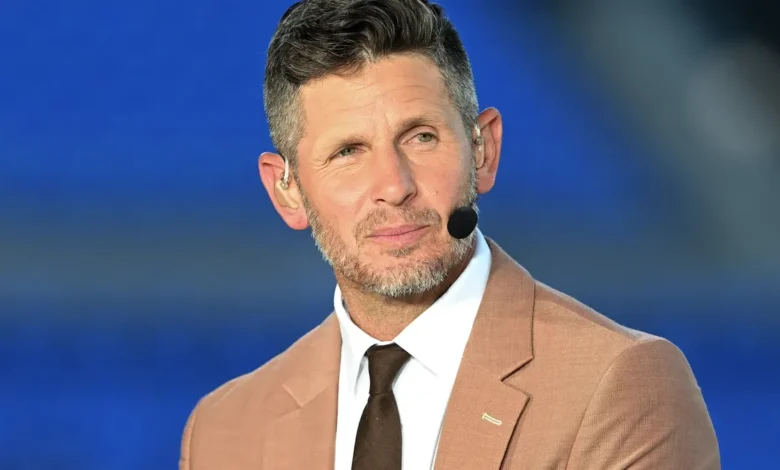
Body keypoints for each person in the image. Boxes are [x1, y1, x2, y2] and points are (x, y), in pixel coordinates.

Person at [179, 0, 720, 468]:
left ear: (483, 150)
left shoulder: (619, 384)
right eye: (348, 152)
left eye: (420, 137)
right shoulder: (224, 429)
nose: (394, 186)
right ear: (287, 191)